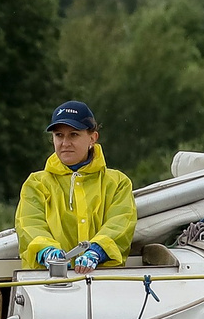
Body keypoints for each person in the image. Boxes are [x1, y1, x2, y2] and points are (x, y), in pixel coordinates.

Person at [17, 101, 136, 272]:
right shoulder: (35, 184)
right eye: (59, 135)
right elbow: (28, 225)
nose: (65, 143)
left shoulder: (118, 183)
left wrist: (97, 250)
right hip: (47, 284)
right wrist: (46, 250)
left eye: (73, 135)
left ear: (93, 138)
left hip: (104, 282)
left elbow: (121, 223)